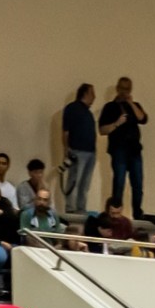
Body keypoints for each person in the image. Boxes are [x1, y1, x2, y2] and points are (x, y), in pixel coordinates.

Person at [98, 76, 147, 215]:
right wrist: (117, 123)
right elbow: (102, 130)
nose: (125, 92)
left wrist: (131, 104)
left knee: (138, 183)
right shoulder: (109, 107)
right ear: (117, 89)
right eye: (123, 89)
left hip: (135, 149)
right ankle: (115, 211)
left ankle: (137, 213)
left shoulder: (135, 105)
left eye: (128, 89)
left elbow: (142, 118)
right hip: (118, 149)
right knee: (119, 181)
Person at [61, 83, 97, 214]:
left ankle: (81, 209)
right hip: (77, 151)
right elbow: (65, 131)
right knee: (74, 181)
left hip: (91, 152)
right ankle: (71, 209)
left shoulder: (88, 113)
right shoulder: (72, 108)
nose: (94, 97)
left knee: (85, 184)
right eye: (92, 93)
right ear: (85, 93)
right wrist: (66, 151)